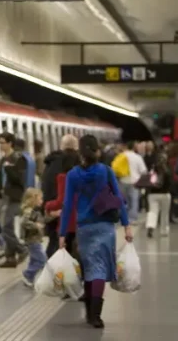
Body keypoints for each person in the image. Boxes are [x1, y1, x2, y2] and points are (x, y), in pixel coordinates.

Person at [59, 134, 133, 329]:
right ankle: (96, 315)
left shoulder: (73, 174)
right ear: (97, 150)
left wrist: (62, 234)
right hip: (105, 227)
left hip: (84, 228)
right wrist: (127, 225)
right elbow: (118, 199)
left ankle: (90, 311)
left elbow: (67, 205)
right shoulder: (105, 171)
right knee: (98, 268)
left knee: (91, 267)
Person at [0, 132, 28, 268]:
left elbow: (20, 179)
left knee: (4, 226)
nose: (0, 145)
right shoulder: (3, 159)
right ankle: (10, 258)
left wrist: (9, 169)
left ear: (10, 143)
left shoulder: (18, 158)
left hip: (14, 197)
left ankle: (21, 249)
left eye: (3, 142)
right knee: (7, 226)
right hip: (2, 196)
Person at [40, 134, 79, 257]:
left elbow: (45, 186)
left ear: (61, 146)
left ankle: (55, 271)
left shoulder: (50, 163)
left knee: (55, 243)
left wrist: (47, 207)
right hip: (74, 213)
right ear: (77, 147)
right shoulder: (81, 164)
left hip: (54, 210)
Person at [19, 188, 48, 287]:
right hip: (32, 240)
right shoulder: (29, 211)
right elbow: (24, 222)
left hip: (35, 239)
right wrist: (36, 225)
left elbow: (42, 221)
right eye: (40, 199)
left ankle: (29, 278)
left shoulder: (35, 211)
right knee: (42, 260)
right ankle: (27, 274)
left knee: (34, 260)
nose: (42, 201)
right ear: (33, 199)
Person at [142, 152, 172, 238]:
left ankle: (150, 226)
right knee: (165, 213)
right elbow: (170, 183)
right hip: (165, 194)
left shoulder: (153, 170)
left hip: (153, 194)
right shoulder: (168, 170)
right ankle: (164, 231)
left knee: (153, 211)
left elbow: (148, 181)